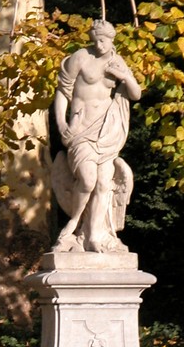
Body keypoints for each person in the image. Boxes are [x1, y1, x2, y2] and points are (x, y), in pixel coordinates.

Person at [52, 20, 141, 253]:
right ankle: (74, 222)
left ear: (112, 40)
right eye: (96, 39)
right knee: (88, 180)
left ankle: (94, 235)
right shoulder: (81, 57)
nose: (99, 44)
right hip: (81, 129)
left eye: (104, 40)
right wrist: (61, 124)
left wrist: (125, 76)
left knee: (104, 184)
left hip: (107, 131)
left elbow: (135, 94)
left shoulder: (116, 61)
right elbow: (63, 92)